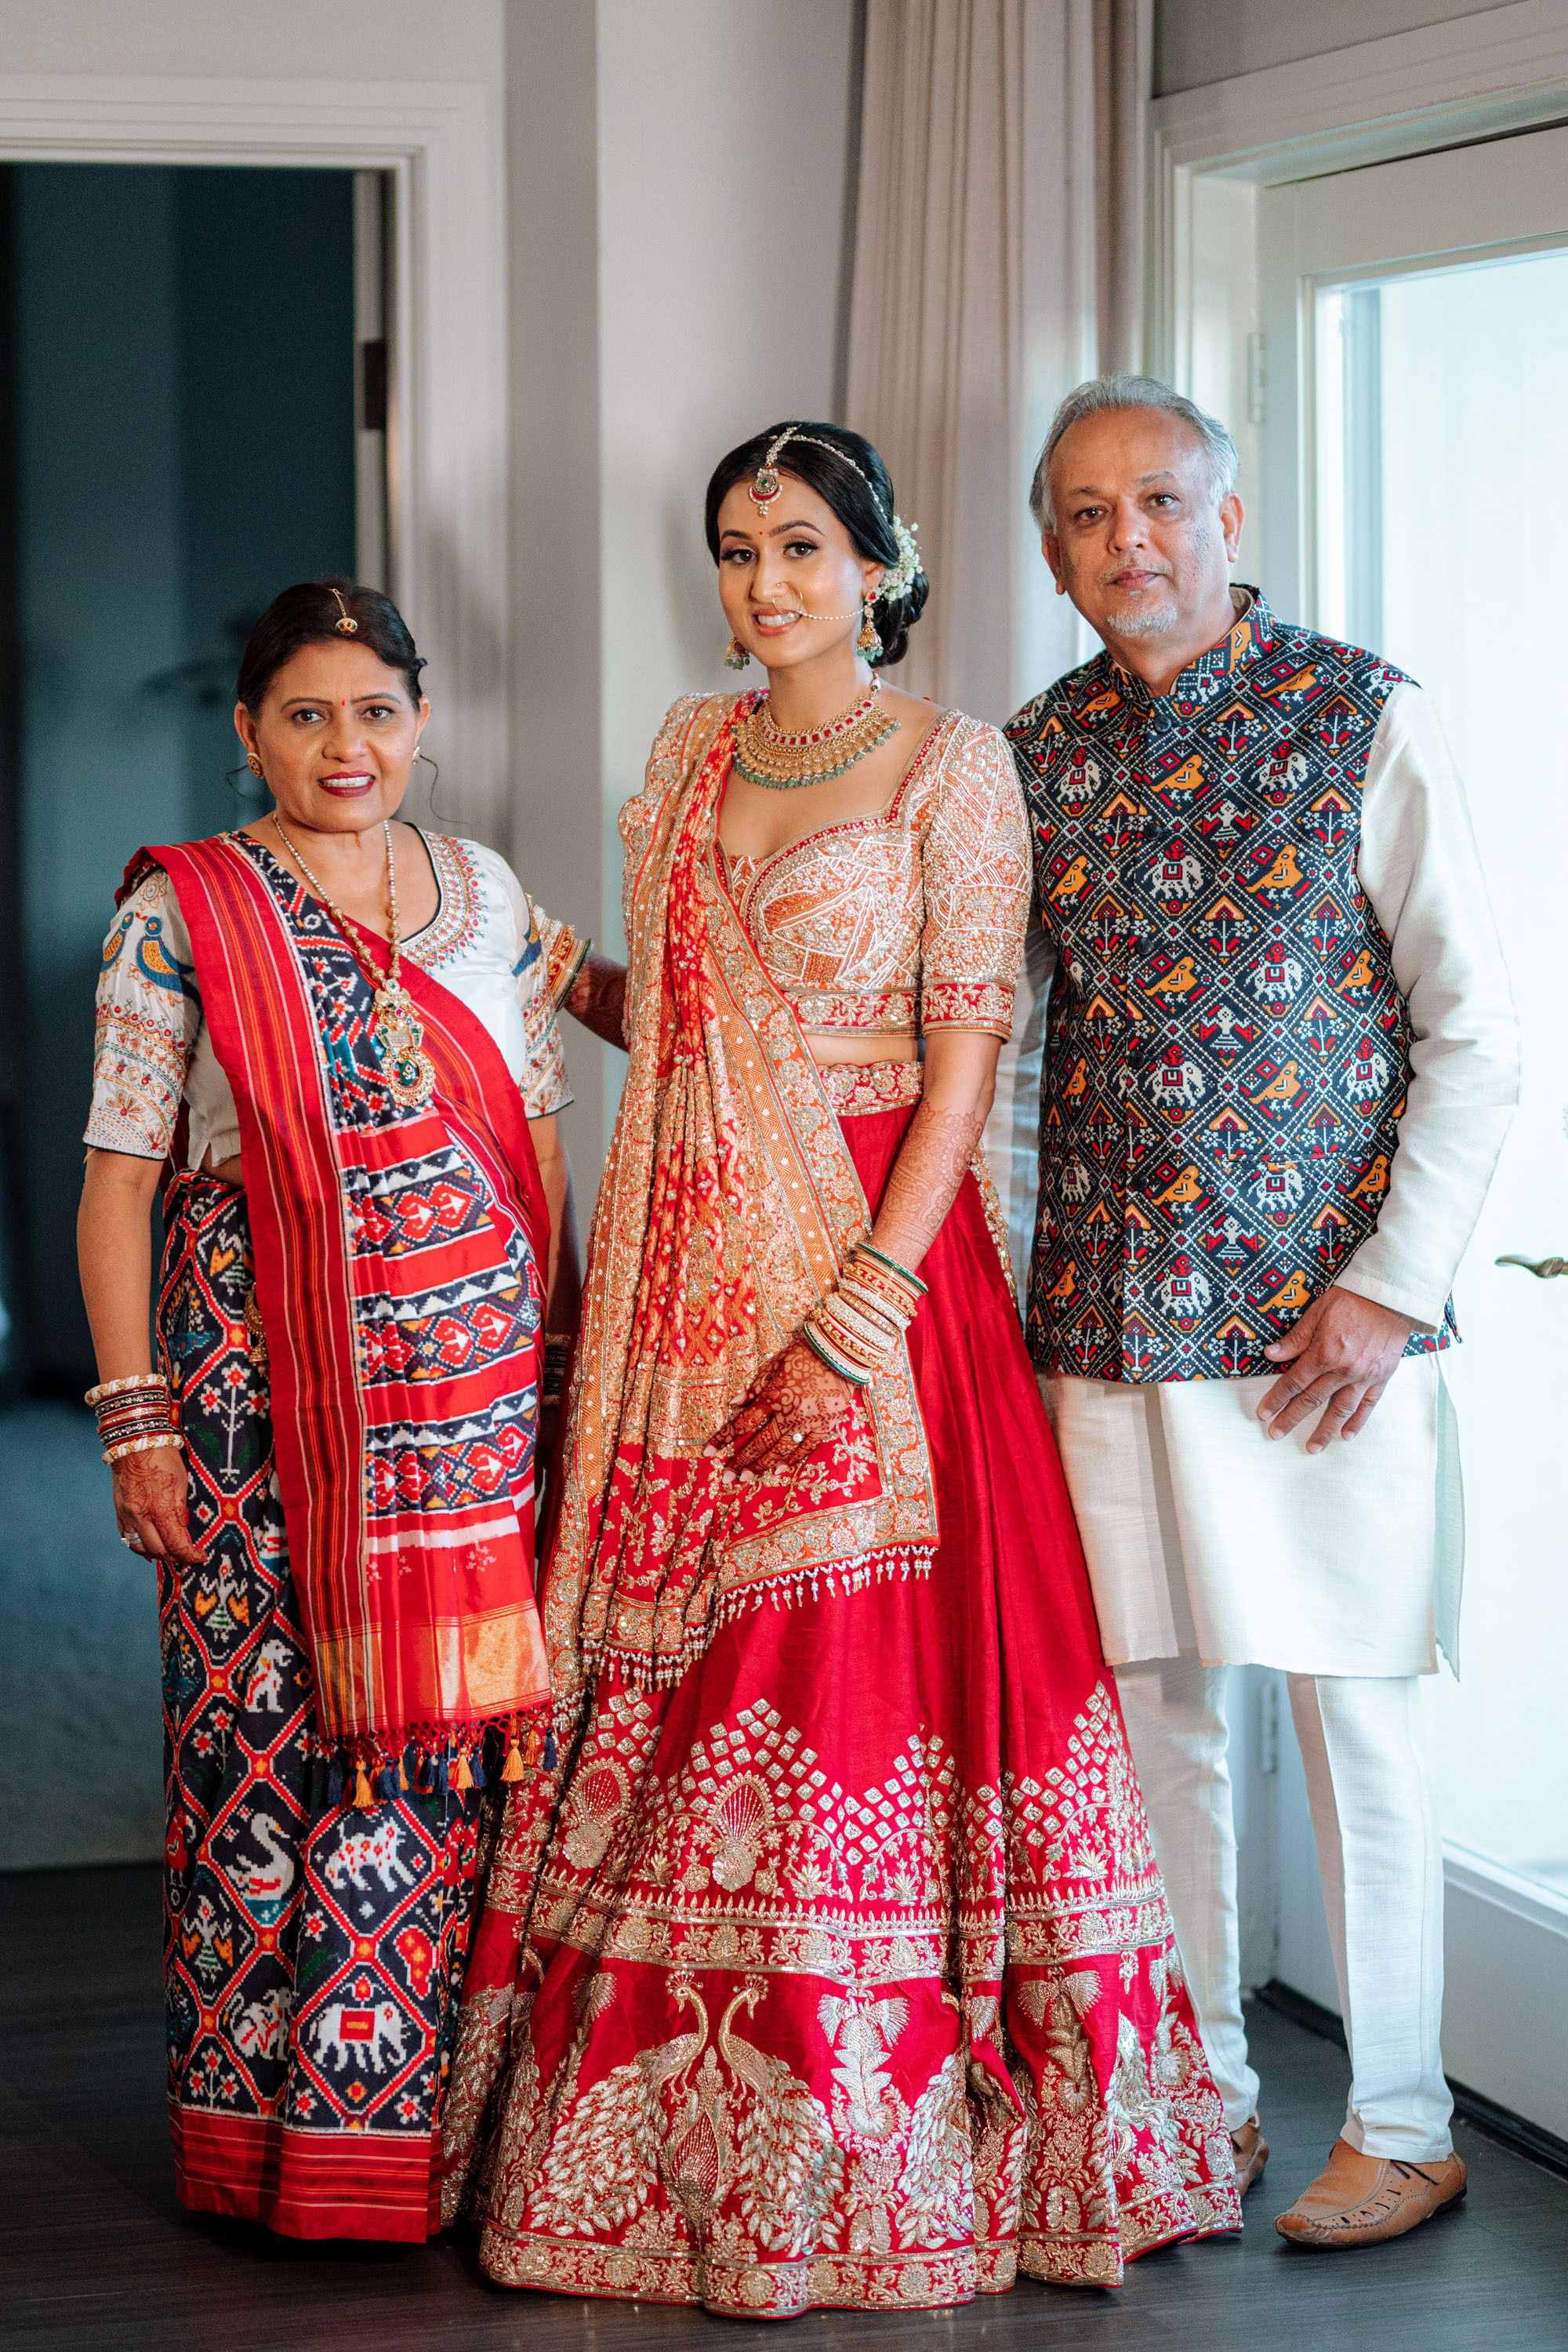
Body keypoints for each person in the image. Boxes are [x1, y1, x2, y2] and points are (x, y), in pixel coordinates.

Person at [439, 422, 1240, 2318]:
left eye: (799, 546)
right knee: (677, 1696)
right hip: (680, 1295)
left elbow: (965, 1063)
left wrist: (865, 1304)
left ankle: (874, 2143)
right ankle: (672, 2137)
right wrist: (523, 951)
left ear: (876, 564)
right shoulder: (684, 752)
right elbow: (687, 1033)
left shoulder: (954, 769)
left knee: (854, 1688)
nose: (763, 585)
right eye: (735, 550)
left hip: (879, 1276)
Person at [1004, 376, 1519, 2249]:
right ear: (1050, 551)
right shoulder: (1030, 755)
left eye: (1158, 500)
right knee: (1154, 1733)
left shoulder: (1360, 715)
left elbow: (1474, 1032)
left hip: (1328, 1342)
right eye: (1082, 511)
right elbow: (998, 1049)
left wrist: (1389, 1293)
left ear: (1232, 518)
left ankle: (1401, 2120)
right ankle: (1193, 2107)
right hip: (1101, 1323)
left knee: (1358, 1724)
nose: (1125, 537)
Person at [77, 578, 584, 2241]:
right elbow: (119, 1182)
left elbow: (540, 1134)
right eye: (306, 715)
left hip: (471, 1388)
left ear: (422, 718)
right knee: (257, 1735)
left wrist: (564, 1351)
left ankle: (420, 2144)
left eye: (375, 711)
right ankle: (260, 2148)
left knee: (447, 1744)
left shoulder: (489, 892)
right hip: (248, 1384)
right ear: (249, 732)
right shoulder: (187, 911)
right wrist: (138, 1420)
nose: (345, 746)